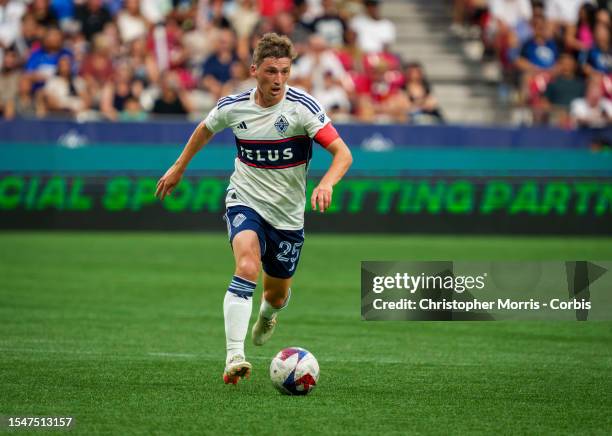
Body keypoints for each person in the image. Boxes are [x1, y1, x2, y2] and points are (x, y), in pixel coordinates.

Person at [155, 33, 353, 385]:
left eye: (285, 72)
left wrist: (326, 183)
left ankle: (267, 315)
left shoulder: (301, 107)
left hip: (288, 216)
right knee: (246, 265)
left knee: (275, 294)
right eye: (271, 71)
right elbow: (204, 129)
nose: (278, 80)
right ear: (254, 71)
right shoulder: (234, 106)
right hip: (245, 199)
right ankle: (235, 356)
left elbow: (343, 153)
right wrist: (179, 165)